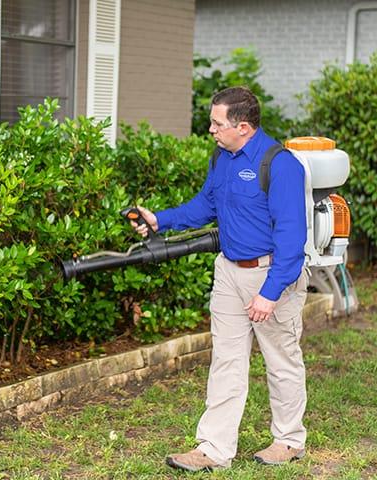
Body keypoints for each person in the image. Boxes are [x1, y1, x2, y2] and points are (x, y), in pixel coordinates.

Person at [131, 86, 309, 471]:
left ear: (242, 127)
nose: (210, 129)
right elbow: (205, 206)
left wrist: (270, 292)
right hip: (229, 272)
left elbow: (293, 240)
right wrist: (160, 220)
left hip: (270, 273)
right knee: (226, 361)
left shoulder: (281, 165)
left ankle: (289, 440)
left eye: (216, 123)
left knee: (281, 361)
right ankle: (214, 448)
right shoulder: (222, 158)